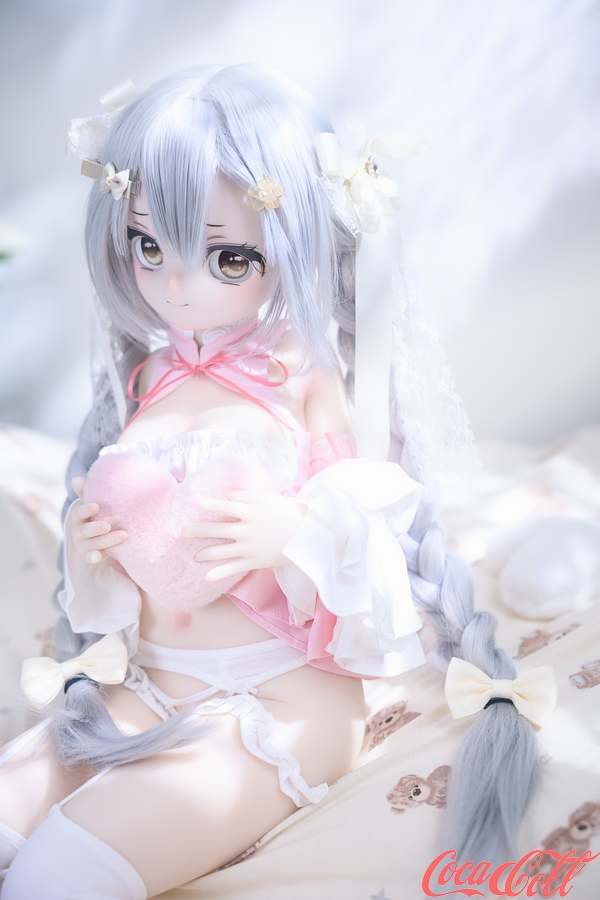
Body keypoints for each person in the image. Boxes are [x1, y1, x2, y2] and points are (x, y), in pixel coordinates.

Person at [0, 65, 539, 899]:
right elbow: (129, 573)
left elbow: (377, 534)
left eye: (227, 256)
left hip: (283, 699)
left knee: (60, 871)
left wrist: (295, 535)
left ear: (289, 243)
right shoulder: (149, 380)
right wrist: (91, 548)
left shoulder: (305, 377)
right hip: (151, 682)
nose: (175, 283)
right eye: (149, 246)